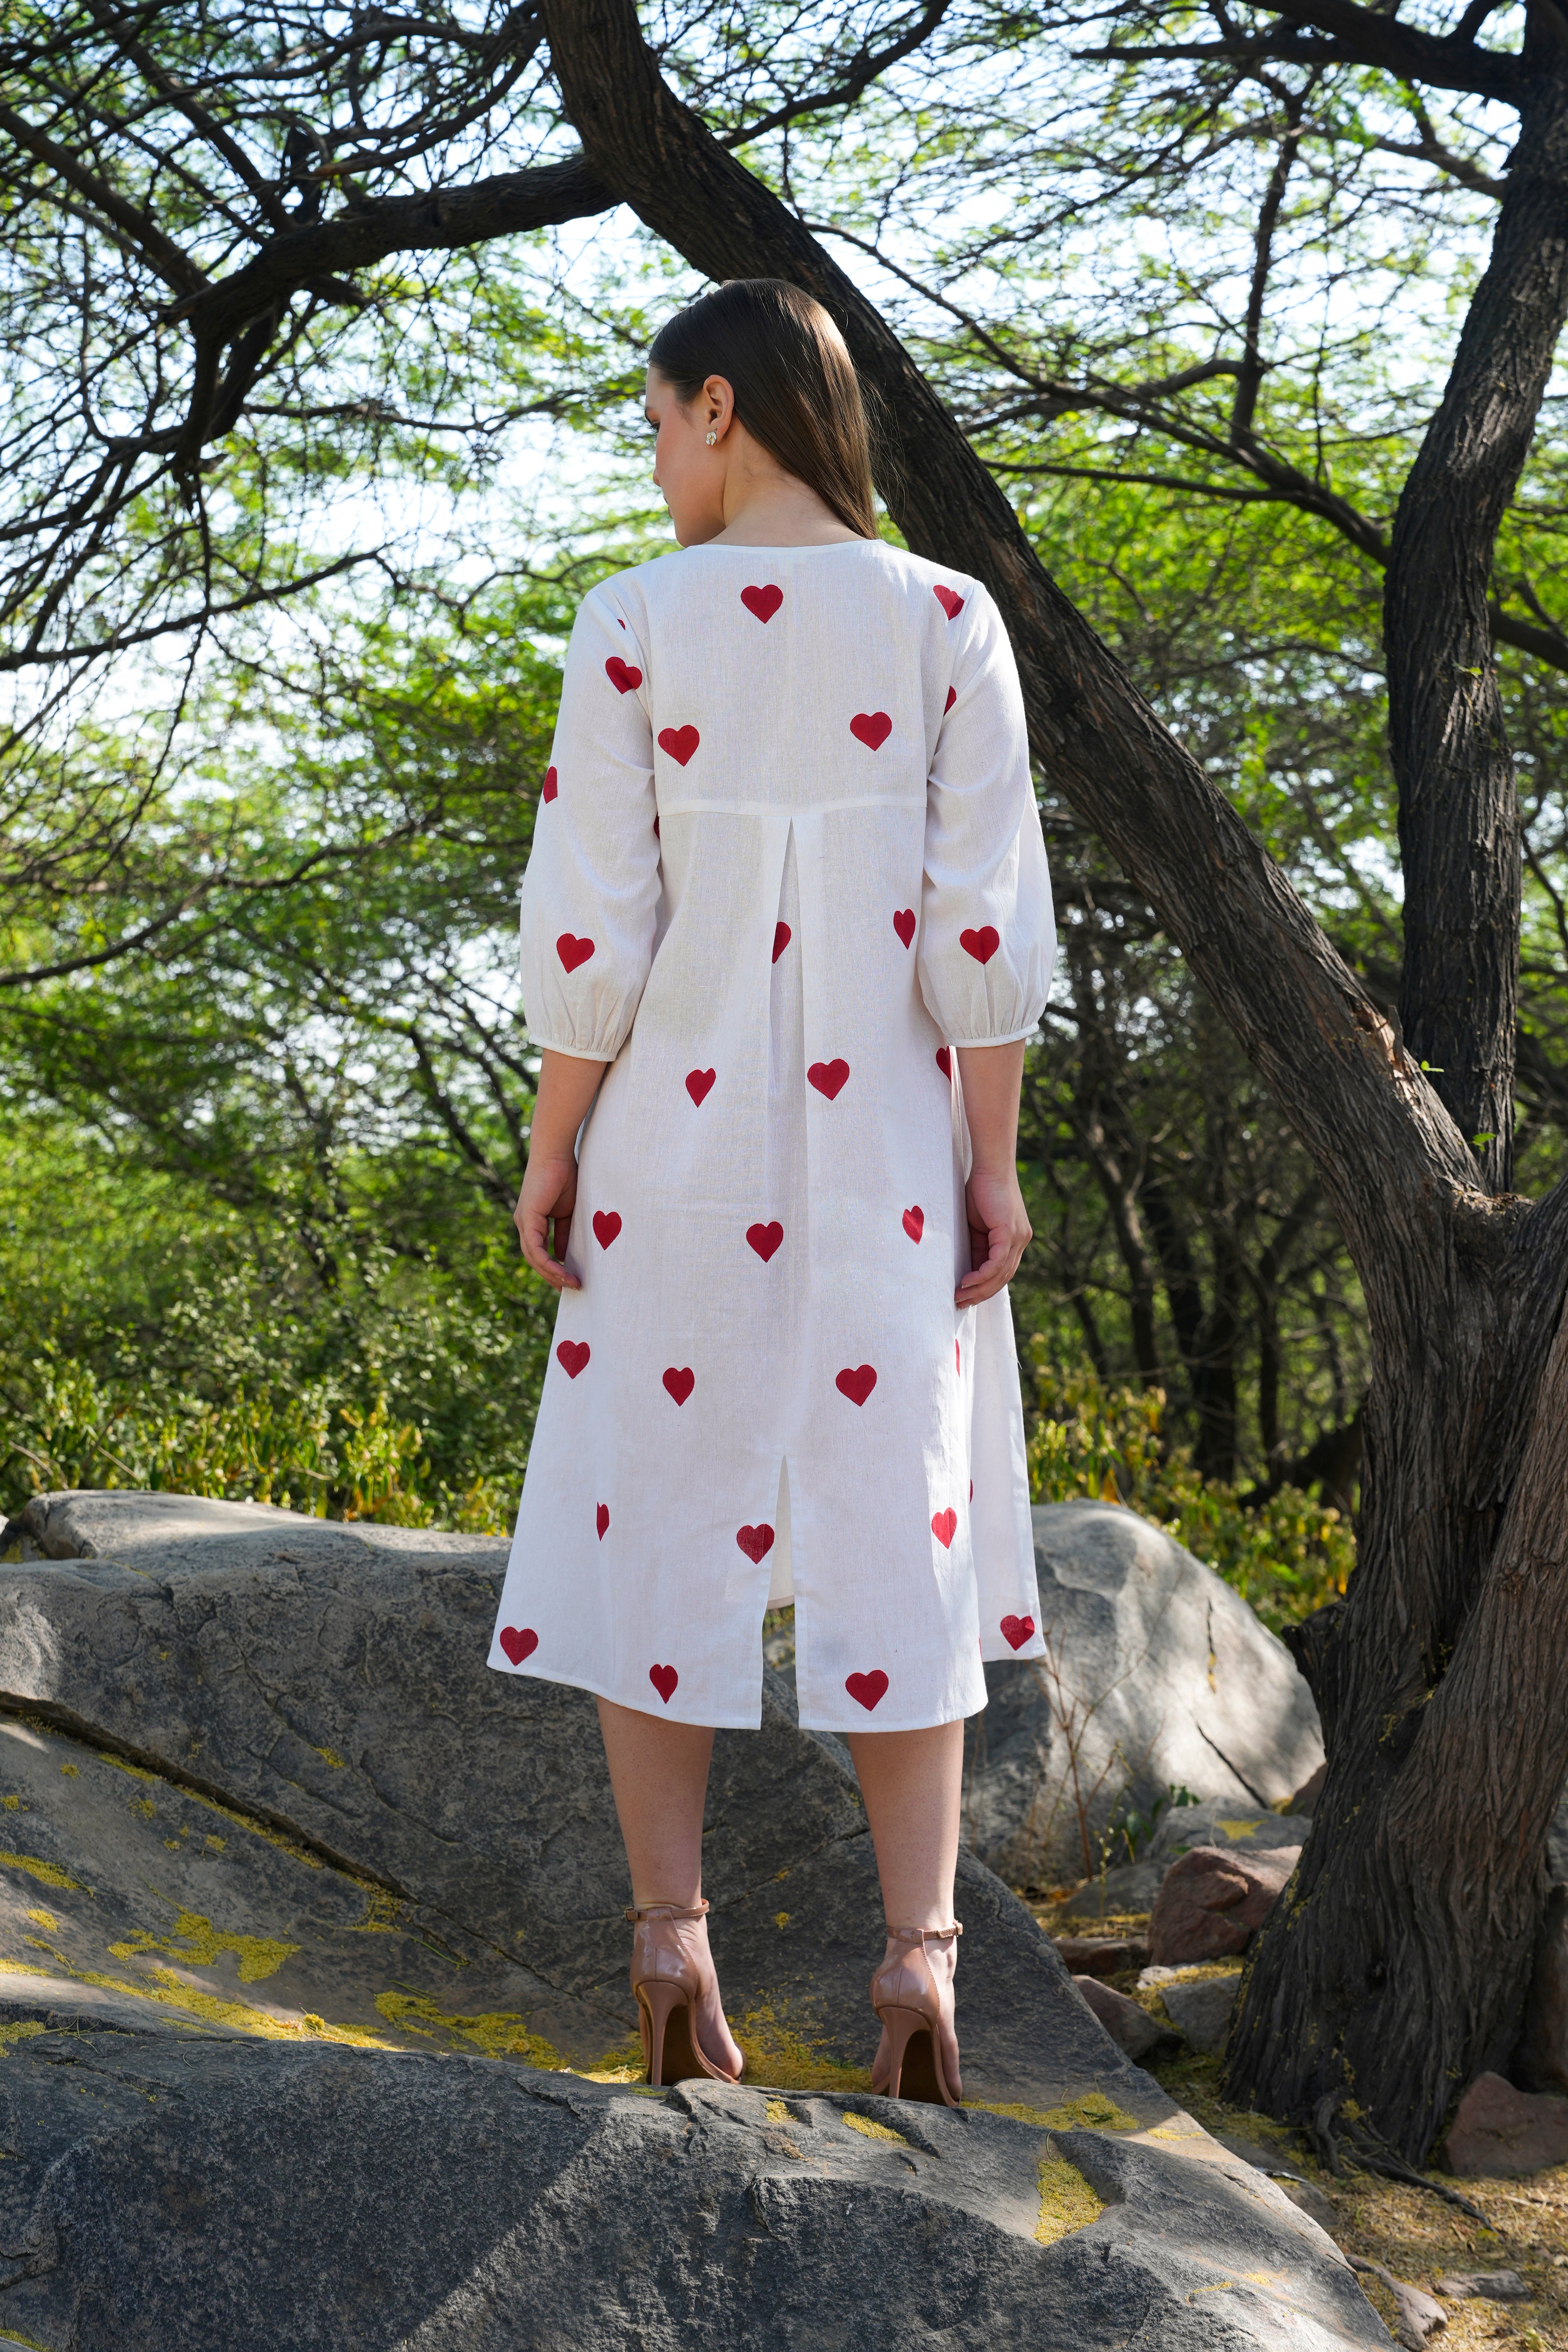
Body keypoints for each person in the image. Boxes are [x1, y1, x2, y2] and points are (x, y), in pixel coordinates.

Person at [490, 278, 1055, 2106]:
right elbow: (985, 931)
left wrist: (554, 1143)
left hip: (672, 1152)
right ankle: (919, 1960)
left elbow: (595, 926)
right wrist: (993, 1165)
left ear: (721, 407)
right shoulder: (948, 620)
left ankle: (670, 1939)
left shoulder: (633, 622)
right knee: (905, 1519)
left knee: (663, 1506)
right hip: (892, 1160)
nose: (656, 461)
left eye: (659, 423)